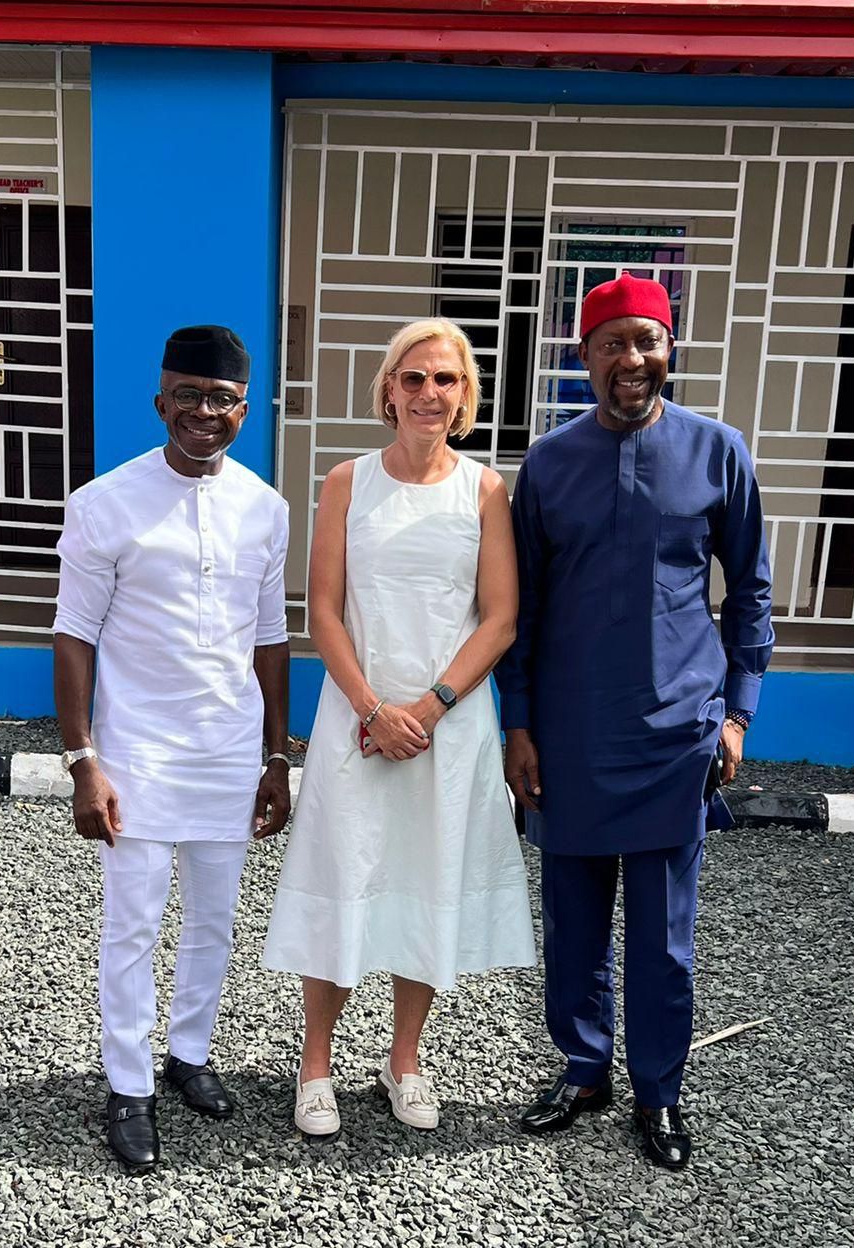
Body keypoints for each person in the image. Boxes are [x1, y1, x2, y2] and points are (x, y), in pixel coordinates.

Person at [497, 274, 773, 1170]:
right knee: (573, 925)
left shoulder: (718, 451)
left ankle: (659, 1091)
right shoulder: (548, 463)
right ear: (584, 356)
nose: (631, 359)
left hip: (677, 734)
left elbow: (750, 591)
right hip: (571, 736)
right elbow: (522, 608)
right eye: (611, 342)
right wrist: (519, 724)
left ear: (669, 348)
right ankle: (584, 1072)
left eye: (646, 340)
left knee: (663, 938)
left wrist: (737, 714)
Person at [262, 317, 536, 1137]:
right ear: (388, 389)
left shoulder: (486, 491)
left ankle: (404, 1059)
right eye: (412, 377)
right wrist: (375, 710)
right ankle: (315, 1064)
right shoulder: (348, 481)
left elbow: (500, 617)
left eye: (445, 379)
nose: (428, 393)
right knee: (344, 876)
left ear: (465, 395)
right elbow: (323, 610)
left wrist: (429, 707)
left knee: (427, 879)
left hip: (448, 727)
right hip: (358, 720)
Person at [53, 325, 290, 1173]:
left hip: (227, 749)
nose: (204, 411)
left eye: (222, 399)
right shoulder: (104, 503)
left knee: (215, 922)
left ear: (244, 411)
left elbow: (271, 637)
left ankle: (188, 1054)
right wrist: (84, 761)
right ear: (160, 402)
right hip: (137, 752)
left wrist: (275, 758)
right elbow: (74, 635)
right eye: (188, 395)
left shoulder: (266, 508)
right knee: (133, 926)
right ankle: (128, 1085)